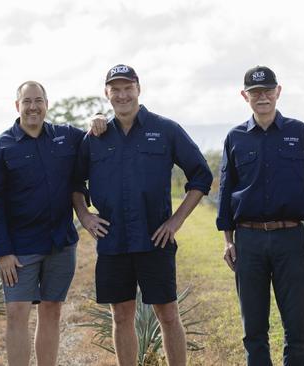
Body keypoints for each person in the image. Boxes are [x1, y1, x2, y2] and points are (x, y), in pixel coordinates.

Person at [72, 64, 213, 366]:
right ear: (107, 93)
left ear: (138, 88)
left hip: (155, 239)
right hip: (113, 241)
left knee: (168, 314)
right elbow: (75, 181)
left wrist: (176, 221)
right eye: (116, 89)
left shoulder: (165, 130)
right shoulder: (95, 137)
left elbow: (201, 175)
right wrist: (84, 215)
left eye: (128, 88)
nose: (122, 95)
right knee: (121, 316)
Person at [0, 81, 106, 365]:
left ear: (47, 104)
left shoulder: (65, 137)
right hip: (19, 248)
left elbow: (92, 134)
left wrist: (96, 118)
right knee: (17, 313)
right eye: (27, 101)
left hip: (60, 242)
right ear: (17, 106)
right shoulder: (2, 146)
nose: (33, 106)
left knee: (51, 310)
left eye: (38, 100)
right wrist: (2, 251)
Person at [216, 65, 304, 365]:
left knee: (296, 324)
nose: (262, 97)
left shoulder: (298, 132)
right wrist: (228, 240)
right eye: (255, 92)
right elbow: (226, 191)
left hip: (289, 239)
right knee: (253, 326)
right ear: (245, 96)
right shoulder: (235, 137)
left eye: (267, 90)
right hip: (249, 241)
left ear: (278, 92)